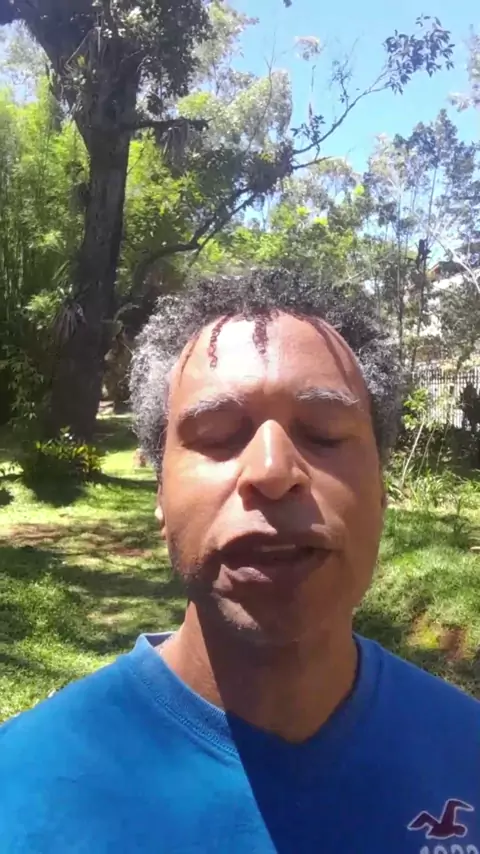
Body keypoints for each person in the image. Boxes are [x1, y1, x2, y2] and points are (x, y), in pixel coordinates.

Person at [1, 269, 479, 854]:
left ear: (381, 488)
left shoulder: (467, 752)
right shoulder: (21, 794)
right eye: (217, 435)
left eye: (325, 434)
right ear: (160, 493)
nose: (272, 471)